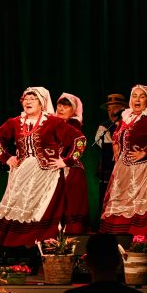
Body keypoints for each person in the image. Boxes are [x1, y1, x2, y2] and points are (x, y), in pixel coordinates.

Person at [0, 87, 86, 249]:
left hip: (46, 173)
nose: (28, 101)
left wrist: (67, 161)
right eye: (25, 99)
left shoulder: (53, 122)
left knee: (40, 209)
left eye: (33, 99)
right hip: (21, 173)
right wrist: (6, 157)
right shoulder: (15, 122)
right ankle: (20, 249)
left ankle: (38, 248)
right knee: (19, 208)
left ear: (42, 103)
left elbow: (79, 139)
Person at [100, 84, 147, 239]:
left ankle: (140, 241)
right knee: (121, 205)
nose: (137, 99)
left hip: (143, 169)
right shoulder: (127, 117)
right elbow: (117, 134)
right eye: (134, 96)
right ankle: (120, 241)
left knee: (140, 205)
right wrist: (116, 145)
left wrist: (145, 151)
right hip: (125, 169)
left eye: (142, 96)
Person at [54, 92, 91, 234]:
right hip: (56, 168)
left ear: (74, 110)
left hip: (70, 170)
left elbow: (80, 142)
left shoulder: (73, 124)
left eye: (66, 106)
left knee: (70, 203)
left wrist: (67, 161)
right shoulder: (54, 122)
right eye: (60, 105)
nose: (61, 108)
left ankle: (71, 237)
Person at [94, 93, 128, 214]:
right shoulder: (105, 127)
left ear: (123, 109)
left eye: (115, 108)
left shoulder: (129, 124)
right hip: (109, 168)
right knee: (107, 198)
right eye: (109, 109)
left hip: (127, 167)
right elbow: (106, 147)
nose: (112, 112)